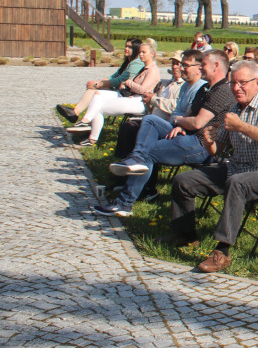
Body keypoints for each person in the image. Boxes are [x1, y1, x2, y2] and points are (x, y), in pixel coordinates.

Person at [168, 60, 258, 272]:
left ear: (257, 83)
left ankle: (222, 251)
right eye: (233, 83)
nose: (236, 88)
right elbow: (219, 150)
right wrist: (208, 140)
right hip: (236, 166)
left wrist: (241, 126)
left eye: (242, 83)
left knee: (236, 183)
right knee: (183, 181)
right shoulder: (234, 108)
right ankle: (185, 236)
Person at [96, 51, 236, 217]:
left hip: (202, 145)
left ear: (216, 66)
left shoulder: (221, 91)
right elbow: (188, 117)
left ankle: (124, 203)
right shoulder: (206, 87)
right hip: (190, 134)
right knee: (150, 120)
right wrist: (183, 124)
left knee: (148, 152)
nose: (200, 67)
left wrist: (179, 122)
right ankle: (137, 159)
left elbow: (197, 122)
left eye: (203, 64)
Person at [67, 42, 162, 145]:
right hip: (131, 97)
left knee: (98, 108)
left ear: (152, 54)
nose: (141, 54)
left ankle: (91, 136)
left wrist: (128, 82)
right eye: (140, 52)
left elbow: (142, 90)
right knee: (97, 95)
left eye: (144, 52)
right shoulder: (144, 68)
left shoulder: (152, 70)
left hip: (139, 102)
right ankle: (86, 122)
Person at [58, 38, 144, 123]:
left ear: (136, 49)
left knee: (95, 90)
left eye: (129, 47)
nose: (126, 49)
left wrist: (97, 85)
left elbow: (119, 80)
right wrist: (97, 82)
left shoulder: (137, 63)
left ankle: (77, 115)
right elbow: (112, 77)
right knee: (93, 88)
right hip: (119, 91)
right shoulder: (128, 62)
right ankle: (77, 114)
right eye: (126, 46)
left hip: (126, 95)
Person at [146, 52, 186, 121]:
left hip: (165, 123)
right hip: (151, 118)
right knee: (128, 126)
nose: (174, 66)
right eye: (173, 63)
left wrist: (153, 100)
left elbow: (176, 106)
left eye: (178, 64)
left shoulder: (184, 86)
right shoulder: (165, 83)